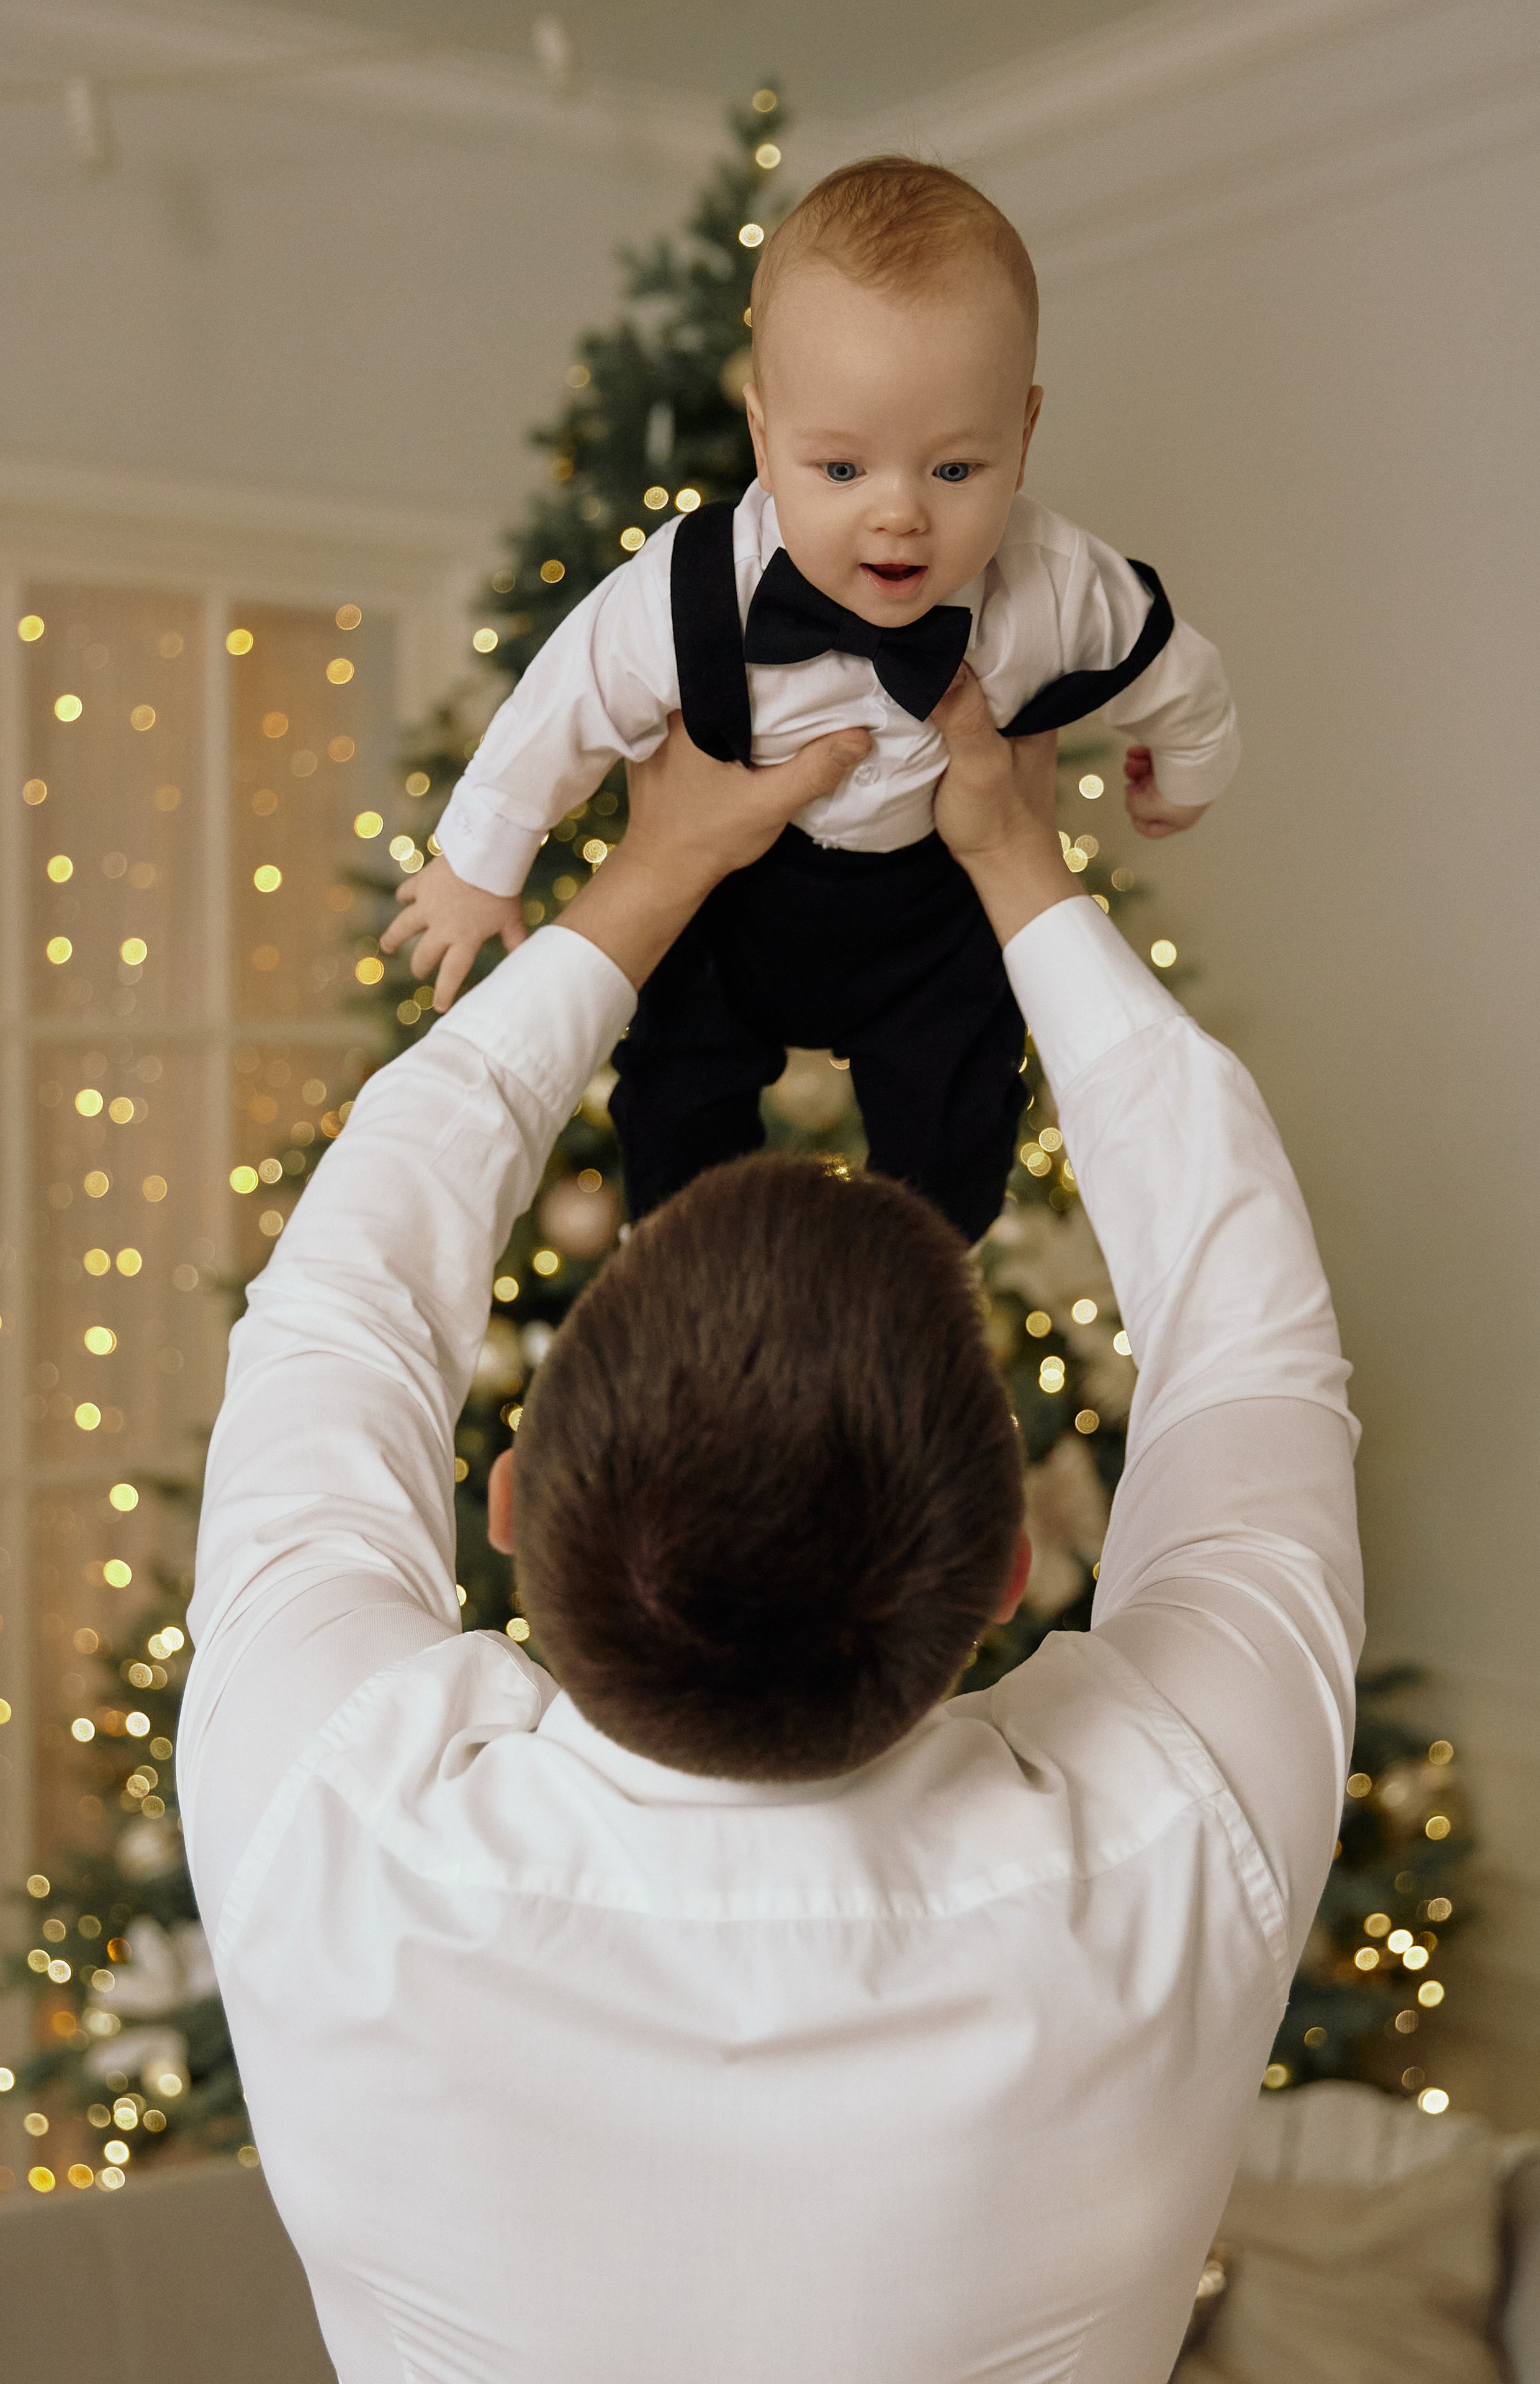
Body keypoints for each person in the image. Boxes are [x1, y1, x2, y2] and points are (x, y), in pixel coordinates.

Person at [179, 679, 1361, 2384]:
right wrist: (1018, 870)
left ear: (505, 1512)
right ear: (1017, 1569)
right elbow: (1247, 1338)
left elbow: (340, 1310)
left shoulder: (327, 1815)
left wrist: (641, 885)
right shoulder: (1176, 1839)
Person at [384, 157, 1241, 1242]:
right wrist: (478, 862)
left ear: (1023, 435)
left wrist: (1186, 766)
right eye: (840, 470)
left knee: (958, 1111)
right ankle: (692, 1262)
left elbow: (1175, 665)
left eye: (955, 470)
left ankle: (919, 1267)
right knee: (677, 1085)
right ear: (763, 438)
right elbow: (567, 697)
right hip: (737, 889)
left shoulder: (1059, 581)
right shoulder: (695, 583)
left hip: (932, 905)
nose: (899, 517)